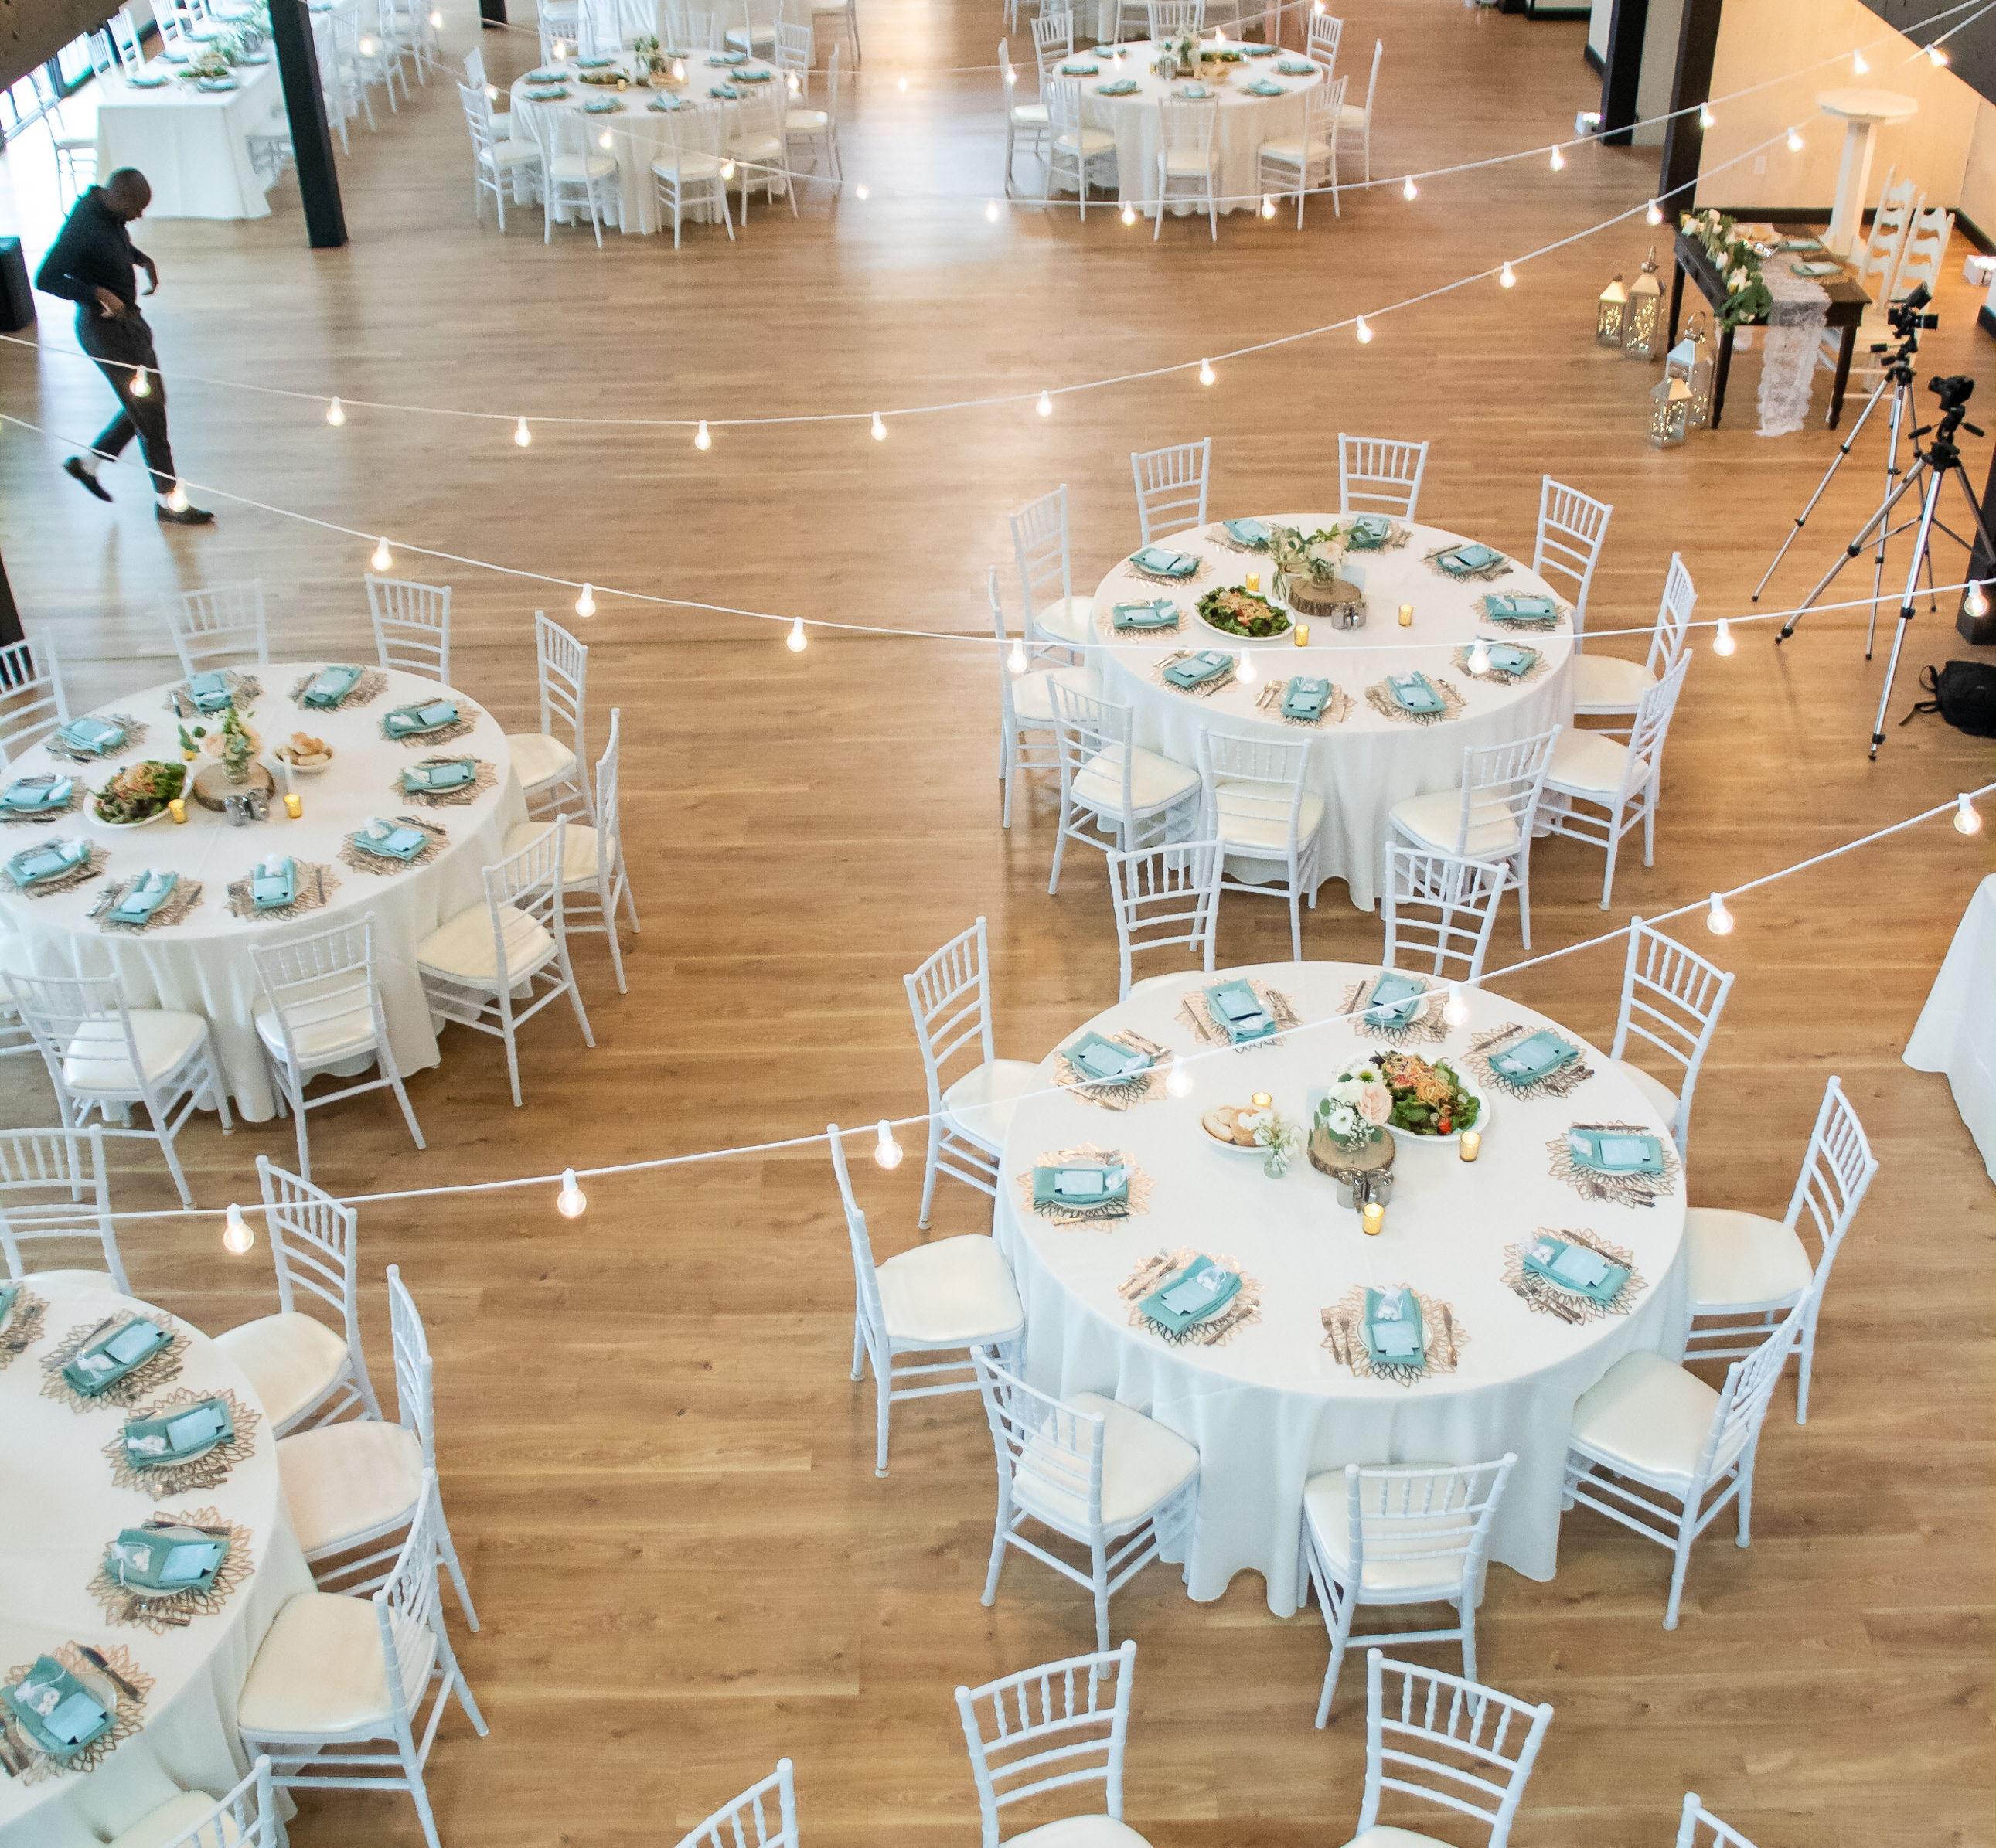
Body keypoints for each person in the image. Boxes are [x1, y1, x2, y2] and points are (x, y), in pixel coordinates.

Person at [34, 167, 213, 525]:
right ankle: (168, 503)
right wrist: (96, 293)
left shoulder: (109, 214)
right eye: (136, 209)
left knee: (149, 406)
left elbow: (113, 245)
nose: (139, 216)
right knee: (151, 416)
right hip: (105, 333)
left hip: (130, 324)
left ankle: (88, 465)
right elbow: (45, 277)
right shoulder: (82, 227)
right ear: (117, 197)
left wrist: (141, 259)